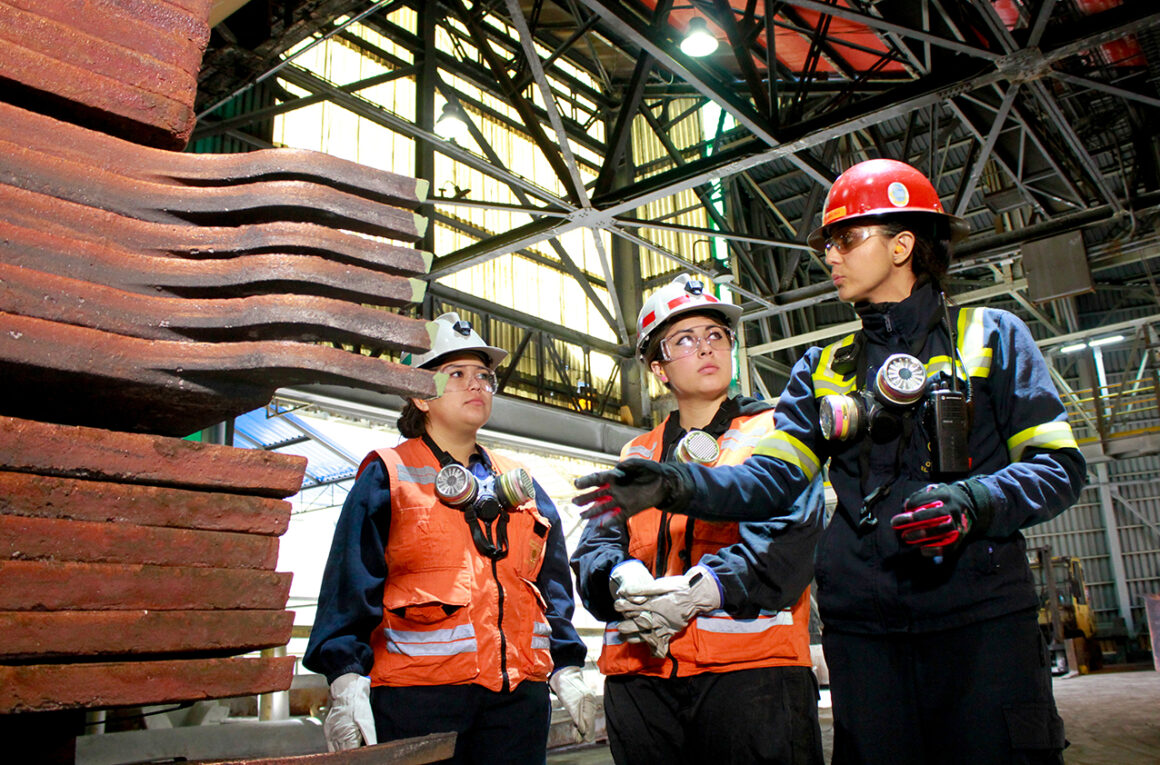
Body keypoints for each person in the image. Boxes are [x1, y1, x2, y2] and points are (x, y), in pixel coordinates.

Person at [574, 159, 1086, 765]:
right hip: (864, 633)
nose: (831, 257)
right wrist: (673, 482)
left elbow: (1058, 465)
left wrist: (975, 502)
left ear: (902, 245)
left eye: (845, 240)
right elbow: (770, 480)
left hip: (979, 619)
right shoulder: (822, 367)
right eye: (828, 245)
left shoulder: (992, 336)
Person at [304, 312, 595, 762]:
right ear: (421, 396)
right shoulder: (389, 474)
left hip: (518, 700)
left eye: (483, 375)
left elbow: (549, 583)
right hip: (419, 700)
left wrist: (568, 665)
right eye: (456, 373)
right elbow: (350, 580)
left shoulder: (521, 484)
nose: (476, 384)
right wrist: (345, 676)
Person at [571, 274, 825, 765]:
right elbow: (595, 546)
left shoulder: (775, 432)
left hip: (752, 679)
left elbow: (791, 541)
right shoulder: (637, 452)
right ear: (659, 369)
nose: (707, 349)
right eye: (685, 340)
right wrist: (618, 576)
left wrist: (700, 591)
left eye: (716, 336)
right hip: (643, 680)